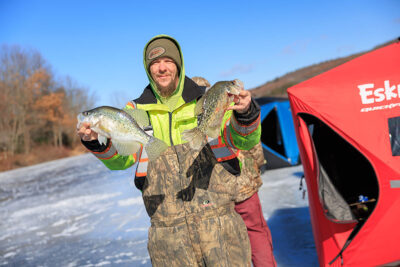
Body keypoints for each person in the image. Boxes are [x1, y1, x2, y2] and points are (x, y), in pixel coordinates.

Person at [77, 34, 261, 266]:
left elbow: (242, 141)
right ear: (148, 69)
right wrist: (96, 142)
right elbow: (120, 161)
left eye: (168, 61)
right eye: (155, 63)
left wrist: (246, 114)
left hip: (222, 232)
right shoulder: (136, 110)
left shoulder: (207, 99)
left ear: (179, 64)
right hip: (168, 243)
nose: (162, 68)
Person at [192, 77, 277, 267]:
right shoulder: (227, 104)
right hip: (241, 183)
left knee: (232, 241)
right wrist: (258, 164)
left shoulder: (194, 114)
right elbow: (249, 142)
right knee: (255, 232)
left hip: (218, 189)